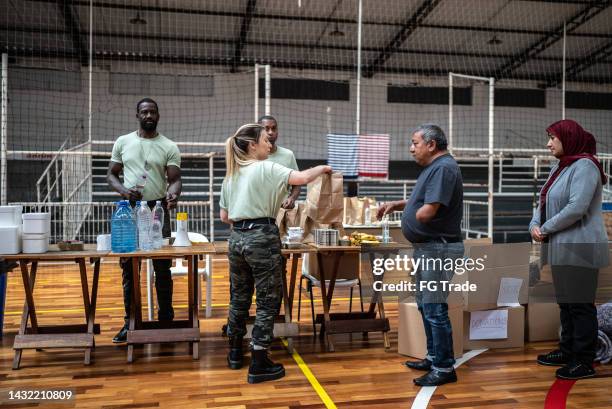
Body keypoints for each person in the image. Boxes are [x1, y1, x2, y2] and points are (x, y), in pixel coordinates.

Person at [220, 123, 331, 384]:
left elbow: (224, 217)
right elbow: (302, 178)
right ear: (252, 145)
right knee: (268, 299)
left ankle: (235, 352)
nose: (270, 143)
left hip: (236, 238)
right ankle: (259, 362)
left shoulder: (231, 175)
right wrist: (323, 168)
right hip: (262, 236)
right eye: (265, 140)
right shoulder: (266, 167)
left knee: (239, 297)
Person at [377, 124, 464, 386]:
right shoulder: (435, 168)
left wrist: (415, 214)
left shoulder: (443, 168)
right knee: (427, 305)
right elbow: (422, 198)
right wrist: (399, 205)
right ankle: (434, 355)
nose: (411, 148)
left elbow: (428, 210)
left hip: (438, 247)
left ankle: (444, 367)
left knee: (435, 308)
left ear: (431, 145)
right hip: (428, 248)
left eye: (415, 143)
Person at [530, 119, 608, 380]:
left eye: (553, 138)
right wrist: (534, 224)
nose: (548, 143)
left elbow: (576, 207)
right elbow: (543, 199)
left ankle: (584, 360)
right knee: (565, 303)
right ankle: (568, 350)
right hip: (562, 247)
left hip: (580, 247)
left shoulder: (585, 166)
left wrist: (546, 228)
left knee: (580, 305)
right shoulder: (561, 166)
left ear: (569, 138)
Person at [107, 98, 182, 343]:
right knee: (129, 270)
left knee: (163, 268)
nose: (148, 115)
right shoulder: (123, 142)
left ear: (158, 115)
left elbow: (174, 179)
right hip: (129, 208)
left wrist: (174, 193)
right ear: (137, 115)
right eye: (144, 111)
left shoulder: (169, 145)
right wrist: (124, 192)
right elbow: (111, 174)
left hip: (158, 209)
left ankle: (166, 321)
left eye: (152, 111)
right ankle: (130, 323)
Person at [258, 115, 301, 209]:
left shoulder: (288, 155)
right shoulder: (252, 156)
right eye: (266, 129)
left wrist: (291, 198)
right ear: (258, 132)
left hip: (281, 210)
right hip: (258, 212)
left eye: (274, 129)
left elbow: (297, 183)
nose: (271, 132)